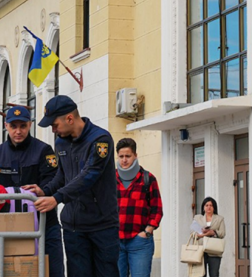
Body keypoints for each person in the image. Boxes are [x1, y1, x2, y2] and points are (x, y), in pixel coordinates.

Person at [22, 95, 118, 277]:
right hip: (73, 227)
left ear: (69, 118)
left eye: (54, 125)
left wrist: (57, 198)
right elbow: (62, 175)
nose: (53, 130)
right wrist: (45, 191)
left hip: (102, 226)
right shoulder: (61, 142)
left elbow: (89, 176)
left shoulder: (101, 140)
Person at [0, 105, 64, 277]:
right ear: (6, 125)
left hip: (45, 223)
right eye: (14, 126)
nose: (18, 131)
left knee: (53, 271)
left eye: (22, 126)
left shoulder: (44, 150)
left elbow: (55, 180)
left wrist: (43, 189)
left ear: (30, 125)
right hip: (9, 227)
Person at [114, 138, 162, 277]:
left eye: (128, 156)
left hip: (139, 242)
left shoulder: (148, 178)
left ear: (135, 155)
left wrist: (147, 232)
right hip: (115, 241)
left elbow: (157, 209)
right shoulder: (110, 179)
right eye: (121, 156)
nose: (124, 160)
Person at [190, 197, 225, 277]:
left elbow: (222, 233)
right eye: (207, 205)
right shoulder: (197, 218)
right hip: (200, 250)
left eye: (211, 205)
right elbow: (192, 232)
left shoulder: (220, 219)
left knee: (214, 274)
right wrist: (203, 234)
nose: (209, 207)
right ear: (203, 207)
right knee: (201, 274)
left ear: (214, 207)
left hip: (214, 251)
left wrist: (213, 232)